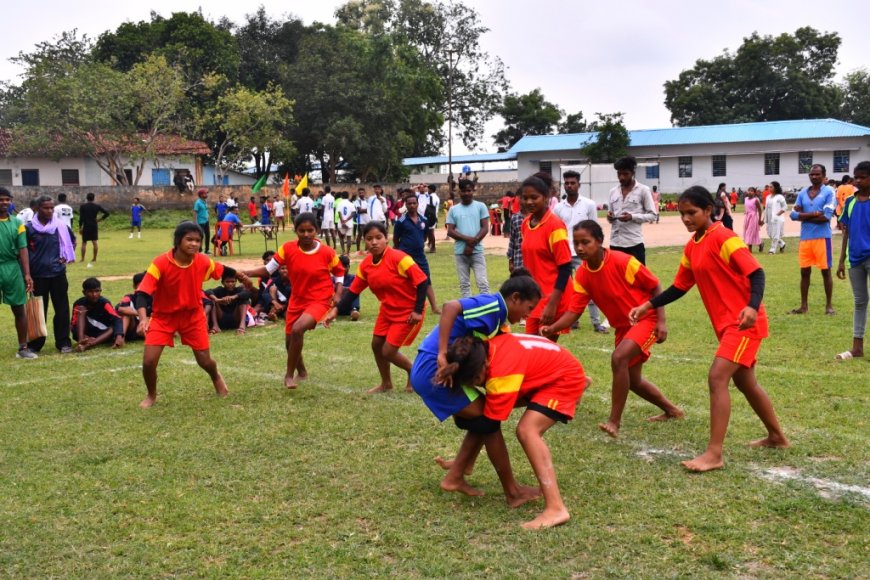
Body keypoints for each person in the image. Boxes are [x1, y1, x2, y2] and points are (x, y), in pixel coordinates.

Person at [628, 186, 789, 472]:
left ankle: (714, 454)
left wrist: (751, 307)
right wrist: (648, 306)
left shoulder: (724, 237)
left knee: (717, 378)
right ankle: (777, 437)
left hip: (744, 324)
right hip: (726, 326)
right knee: (745, 382)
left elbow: (757, 272)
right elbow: (680, 286)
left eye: (692, 212)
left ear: (708, 210)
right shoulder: (693, 245)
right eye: (682, 214)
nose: (686, 218)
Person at [542, 220, 683, 437]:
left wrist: (661, 321)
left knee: (618, 359)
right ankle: (672, 411)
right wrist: (552, 328)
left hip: (647, 319)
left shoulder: (623, 261)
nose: (580, 248)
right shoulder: (582, 275)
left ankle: (614, 422)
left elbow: (655, 286)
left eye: (585, 242)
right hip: (623, 329)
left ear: (599, 241)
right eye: (576, 243)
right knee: (633, 381)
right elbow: (573, 313)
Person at [411, 270, 542, 500]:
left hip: (440, 370)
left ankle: (460, 470)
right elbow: (450, 307)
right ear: (515, 298)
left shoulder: (500, 318)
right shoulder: (493, 306)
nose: (527, 316)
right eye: (529, 308)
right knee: (488, 420)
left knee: (486, 415)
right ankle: (511, 491)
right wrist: (442, 352)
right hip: (433, 370)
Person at [441, 333, 588, 529]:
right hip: (546, 372)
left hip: (562, 379)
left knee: (527, 431)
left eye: (475, 384)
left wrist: (511, 490)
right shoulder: (487, 349)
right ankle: (463, 468)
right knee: (490, 415)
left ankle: (556, 508)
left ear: (480, 372)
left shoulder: (501, 373)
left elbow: (489, 428)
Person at [238, 213, 344, 389]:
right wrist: (245, 273)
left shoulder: (326, 252)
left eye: (310, 230)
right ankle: (301, 371)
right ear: (295, 231)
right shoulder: (287, 248)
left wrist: (338, 295)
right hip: (297, 299)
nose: (306, 234)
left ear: (316, 230)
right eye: (301, 230)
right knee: (290, 341)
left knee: (297, 330)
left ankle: (288, 375)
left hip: (320, 299)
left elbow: (339, 272)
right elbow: (268, 270)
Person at [134, 221, 232, 408]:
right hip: (163, 317)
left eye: (197, 240)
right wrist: (143, 318)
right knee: (148, 362)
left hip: (193, 316)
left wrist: (244, 277)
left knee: (204, 361)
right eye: (189, 239)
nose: (194, 244)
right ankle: (151, 395)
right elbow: (142, 293)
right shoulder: (161, 262)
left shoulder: (203, 261)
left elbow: (223, 270)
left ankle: (216, 376)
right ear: (178, 241)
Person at [330, 222, 429, 393]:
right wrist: (336, 310)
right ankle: (386, 383)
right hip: (388, 309)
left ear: (386, 239)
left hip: (408, 310)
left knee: (389, 351)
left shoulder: (400, 258)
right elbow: (353, 291)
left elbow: (422, 281)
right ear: (363, 242)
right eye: (369, 239)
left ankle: (413, 372)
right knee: (376, 344)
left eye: (378, 237)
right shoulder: (366, 265)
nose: (374, 242)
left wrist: (418, 310)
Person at [520, 173, 573, 339]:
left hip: (553, 297)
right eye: (525, 198)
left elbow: (565, 267)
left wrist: (552, 304)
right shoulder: (526, 224)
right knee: (531, 348)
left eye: (534, 197)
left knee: (543, 352)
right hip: (534, 298)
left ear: (546, 197)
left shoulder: (555, 225)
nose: (529, 202)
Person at [554, 169, 607, 334]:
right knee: (568, 289)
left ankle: (596, 322)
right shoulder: (557, 208)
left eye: (573, 183)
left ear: (579, 185)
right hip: (563, 253)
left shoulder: (589, 204)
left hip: (583, 253)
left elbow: (594, 229)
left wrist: (596, 250)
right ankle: (573, 321)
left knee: (590, 287)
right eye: (567, 183)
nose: (569, 186)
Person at [26, 195, 76, 354]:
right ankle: (35, 343)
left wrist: (65, 256)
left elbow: (72, 241)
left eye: (51, 208)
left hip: (57, 274)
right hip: (38, 275)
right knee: (38, 310)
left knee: (61, 309)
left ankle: (63, 342)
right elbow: (23, 250)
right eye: (45, 208)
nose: (49, 211)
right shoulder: (29, 228)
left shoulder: (60, 226)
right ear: (37, 209)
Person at [789, 164, 837, 315]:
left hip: (823, 238)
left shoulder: (829, 192)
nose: (814, 177)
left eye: (817, 174)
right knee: (804, 272)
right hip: (805, 238)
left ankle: (829, 306)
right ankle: (803, 306)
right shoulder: (803, 192)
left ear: (824, 176)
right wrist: (814, 213)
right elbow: (792, 215)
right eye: (812, 174)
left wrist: (803, 215)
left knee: (825, 272)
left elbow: (826, 217)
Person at [835, 160, 870, 361]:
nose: (857, 181)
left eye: (862, 177)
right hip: (854, 259)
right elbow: (845, 232)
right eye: (856, 177)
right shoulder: (850, 202)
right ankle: (857, 347)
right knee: (860, 302)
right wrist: (841, 260)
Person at [0, 188, 36, 359]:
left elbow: (23, 249)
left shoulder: (17, 223)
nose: (4, 202)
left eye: (7, 199)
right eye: (1, 199)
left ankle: (23, 348)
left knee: (19, 309)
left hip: (12, 268)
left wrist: (27, 274)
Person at [393, 191, 441, 313]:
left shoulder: (424, 219)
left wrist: (419, 243)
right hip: (406, 257)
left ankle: (434, 307)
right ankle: (402, 306)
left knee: (426, 280)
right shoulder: (401, 221)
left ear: (418, 204)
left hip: (420, 256)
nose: (412, 205)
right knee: (404, 282)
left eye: (414, 203)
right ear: (406, 205)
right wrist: (400, 252)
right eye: (409, 204)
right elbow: (395, 238)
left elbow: (425, 236)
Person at [607, 157, 657, 264]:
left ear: (633, 173)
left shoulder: (643, 190)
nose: (621, 177)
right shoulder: (613, 192)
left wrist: (632, 217)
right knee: (616, 279)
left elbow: (653, 215)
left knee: (638, 279)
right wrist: (610, 217)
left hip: (634, 244)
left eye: (625, 174)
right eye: (619, 174)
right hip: (615, 244)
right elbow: (611, 215)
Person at [445, 179, 490, 298]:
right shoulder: (453, 209)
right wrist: (468, 240)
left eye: (469, 190)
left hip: (477, 251)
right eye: (463, 191)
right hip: (460, 252)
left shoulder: (481, 206)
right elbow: (450, 231)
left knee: (483, 284)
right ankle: (469, 311)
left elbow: (485, 228)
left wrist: (471, 244)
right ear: (459, 192)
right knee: (464, 285)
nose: (466, 193)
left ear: (473, 191)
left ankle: (487, 311)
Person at [71, 277, 124, 351]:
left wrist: (119, 335)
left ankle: (89, 344)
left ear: (100, 291)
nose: (94, 294)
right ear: (84, 292)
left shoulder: (104, 303)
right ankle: (81, 341)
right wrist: (83, 336)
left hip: (103, 334)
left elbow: (117, 319)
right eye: (90, 292)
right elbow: (73, 324)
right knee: (81, 309)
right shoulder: (78, 303)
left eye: (97, 291)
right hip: (85, 333)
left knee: (113, 328)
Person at [207, 271, 252, 335]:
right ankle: (215, 326)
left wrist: (234, 297)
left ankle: (242, 326)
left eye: (233, 282)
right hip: (221, 318)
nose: (230, 284)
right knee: (212, 300)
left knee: (243, 299)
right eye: (227, 282)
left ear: (236, 282)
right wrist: (217, 299)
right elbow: (208, 291)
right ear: (222, 282)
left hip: (235, 318)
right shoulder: (219, 290)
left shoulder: (238, 290)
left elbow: (248, 293)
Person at [115, 272, 149, 343]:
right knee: (127, 314)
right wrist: (141, 314)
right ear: (134, 286)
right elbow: (120, 308)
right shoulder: (129, 297)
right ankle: (122, 338)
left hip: (146, 327)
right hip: (133, 327)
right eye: (140, 286)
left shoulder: (151, 298)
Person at [79, 192, 109, 267]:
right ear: (93, 198)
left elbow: (81, 218)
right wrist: (100, 219)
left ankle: (82, 259)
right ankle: (94, 258)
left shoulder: (83, 206)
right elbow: (107, 213)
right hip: (94, 225)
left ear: (87, 198)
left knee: (84, 242)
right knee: (94, 242)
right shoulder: (97, 206)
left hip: (86, 225)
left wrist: (80, 227)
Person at [764, 181, 788, 254]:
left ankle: (772, 249)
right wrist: (763, 218)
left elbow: (785, 207)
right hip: (769, 218)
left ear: (776, 188)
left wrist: (778, 214)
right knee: (770, 234)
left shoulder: (780, 197)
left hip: (777, 219)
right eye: (769, 187)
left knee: (775, 235)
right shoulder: (768, 197)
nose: (769, 188)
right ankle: (782, 244)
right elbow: (766, 208)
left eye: (771, 187)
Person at [335, 254, 360, 320]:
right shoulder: (333, 279)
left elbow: (355, 289)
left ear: (348, 267)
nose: (343, 269)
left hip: (349, 307)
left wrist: (340, 289)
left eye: (344, 267)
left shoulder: (353, 278)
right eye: (341, 267)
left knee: (355, 292)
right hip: (336, 306)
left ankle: (354, 312)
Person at [742, 187, 764, 252]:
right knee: (748, 232)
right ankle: (760, 244)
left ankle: (750, 250)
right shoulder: (745, 199)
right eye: (749, 190)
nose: (750, 192)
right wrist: (746, 211)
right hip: (747, 217)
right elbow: (746, 207)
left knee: (750, 232)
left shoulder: (755, 200)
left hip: (753, 218)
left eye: (751, 191)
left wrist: (759, 220)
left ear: (754, 193)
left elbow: (760, 210)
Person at [424, 184, 440, 252]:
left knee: (431, 233)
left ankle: (433, 247)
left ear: (431, 190)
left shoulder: (431, 197)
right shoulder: (436, 197)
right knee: (430, 232)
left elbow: (430, 208)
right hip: (434, 216)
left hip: (431, 217)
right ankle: (430, 245)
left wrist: (427, 216)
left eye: (428, 189)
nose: (427, 191)